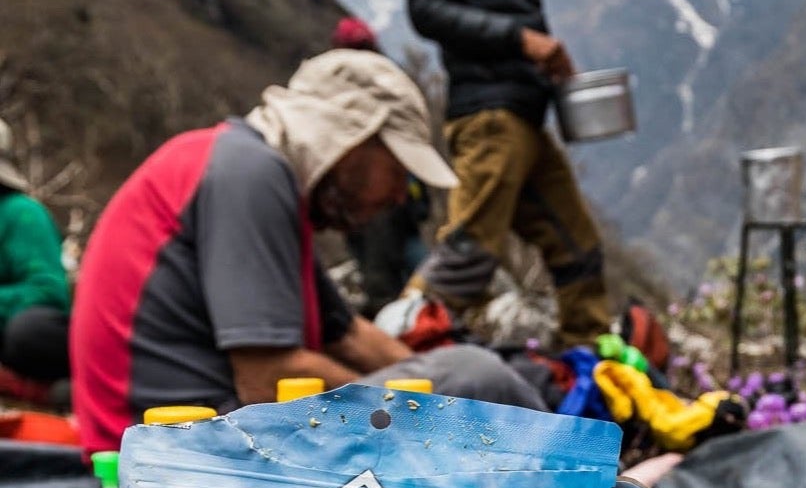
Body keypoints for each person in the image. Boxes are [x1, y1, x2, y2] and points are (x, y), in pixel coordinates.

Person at [70, 50, 546, 454]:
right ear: (352, 137)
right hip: (181, 445)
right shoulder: (249, 173)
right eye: (399, 169)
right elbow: (268, 378)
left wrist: (416, 383)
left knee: (460, 375)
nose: (402, 195)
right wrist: (425, 399)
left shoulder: (249, 171)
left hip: (179, 438)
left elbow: (348, 334)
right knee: (474, 374)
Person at [407, 0, 611, 348]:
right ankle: (397, 356)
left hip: (523, 116)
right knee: (471, 250)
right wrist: (522, 41)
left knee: (577, 245)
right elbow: (426, 8)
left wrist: (545, 68)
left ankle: (590, 362)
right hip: (488, 118)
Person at [327, 17, 432, 315]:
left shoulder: (347, 86)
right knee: (389, 278)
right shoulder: (379, 83)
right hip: (377, 207)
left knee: (403, 276)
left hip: (387, 207)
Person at [0, 119, 72, 393]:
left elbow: (48, 290)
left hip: (20, 335)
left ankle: (60, 389)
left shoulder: (21, 213)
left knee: (28, 332)